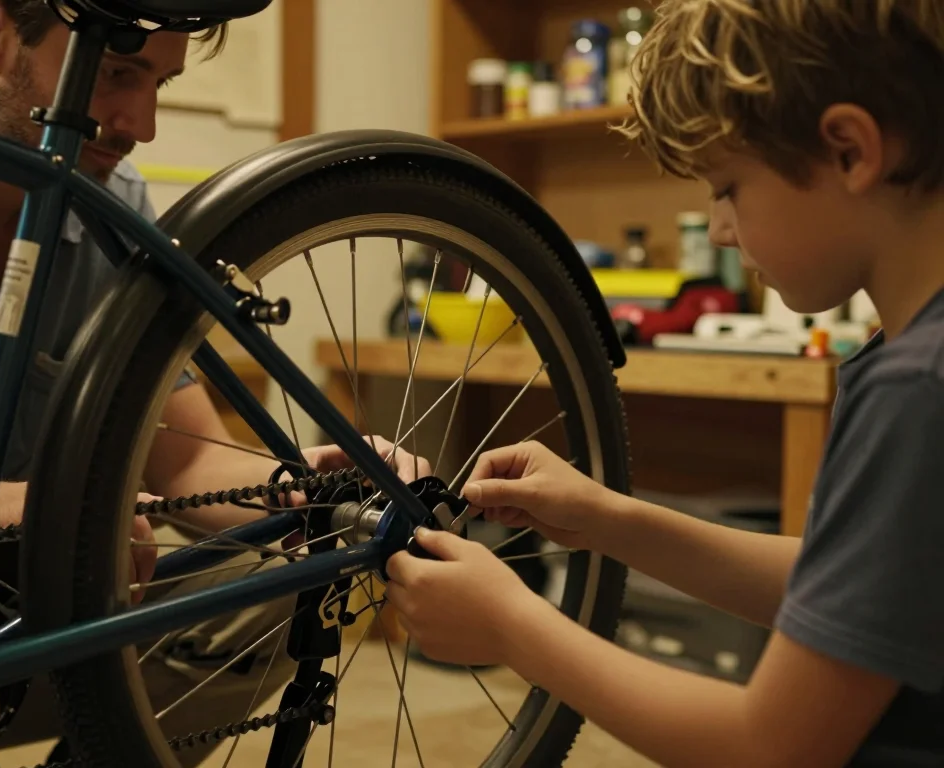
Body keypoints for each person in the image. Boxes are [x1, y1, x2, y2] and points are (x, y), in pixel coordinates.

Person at [386, 1, 944, 766]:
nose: (717, 231)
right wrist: (612, 520)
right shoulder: (913, 355)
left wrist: (513, 626)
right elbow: (858, 589)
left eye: (726, 188)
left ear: (849, 150)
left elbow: (769, 748)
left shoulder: (917, 389)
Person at [0, 0, 428, 763]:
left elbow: (187, 462)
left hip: (24, 600)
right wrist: (58, 507)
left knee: (280, 581)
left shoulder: (112, 204)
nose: (142, 124)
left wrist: (304, 488)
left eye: (161, 82)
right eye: (118, 71)